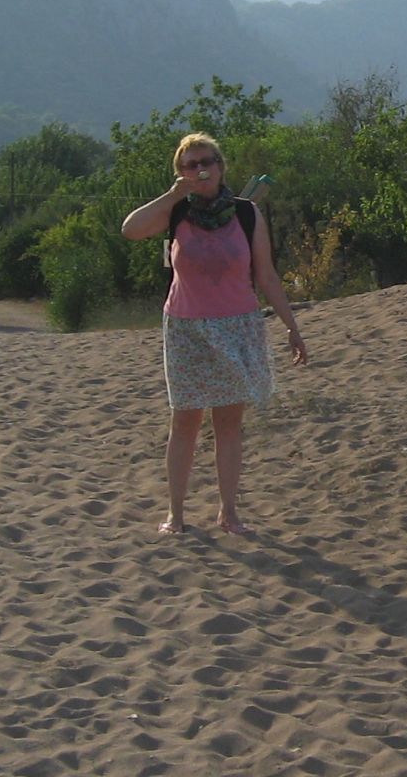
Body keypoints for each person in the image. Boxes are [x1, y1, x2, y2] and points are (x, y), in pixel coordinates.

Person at [121, 132, 307, 534]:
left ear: (221, 167)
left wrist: (292, 326)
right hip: (185, 328)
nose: (200, 170)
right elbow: (130, 230)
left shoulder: (246, 213)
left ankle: (228, 512)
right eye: (189, 165)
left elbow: (266, 275)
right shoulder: (176, 211)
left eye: (207, 162)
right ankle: (176, 514)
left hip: (238, 325)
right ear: (179, 172)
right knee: (185, 421)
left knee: (228, 423)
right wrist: (173, 195)